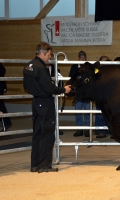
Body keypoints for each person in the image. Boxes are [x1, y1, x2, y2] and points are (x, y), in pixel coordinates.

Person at [23, 41, 71, 173]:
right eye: (49, 54)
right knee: (47, 133)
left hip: (36, 102)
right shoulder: (41, 67)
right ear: (43, 53)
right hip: (45, 102)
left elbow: (26, 86)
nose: (50, 57)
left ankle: (35, 164)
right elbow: (49, 88)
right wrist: (63, 89)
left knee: (37, 133)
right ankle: (44, 165)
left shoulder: (28, 66)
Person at [68, 51, 90, 137]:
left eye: (84, 57)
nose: (82, 59)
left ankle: (87, 129)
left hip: (86, 93)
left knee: (88, 112)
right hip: (77, 93)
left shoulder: (88, 67)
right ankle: (79, 129)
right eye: (81, 57)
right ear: (78, 58)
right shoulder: (74, 67)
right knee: (78, 112)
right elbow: (71, 78)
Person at [94, 55, 111, 138]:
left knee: (104, 114)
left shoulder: (106, 71)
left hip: (106, 96)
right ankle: (100, 130)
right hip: (101, 95)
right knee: (100, 114)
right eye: (105, 61)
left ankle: (103, 130)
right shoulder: (98, 71)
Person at [46, 63, 64, 135]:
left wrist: (59, 90)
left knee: (54, 113)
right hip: (45, 95)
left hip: (54, 94)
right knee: (46, 113)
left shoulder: (56, 70)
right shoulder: (41, 69)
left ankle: (55, 128)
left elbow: (61, 80)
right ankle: (47, 129)